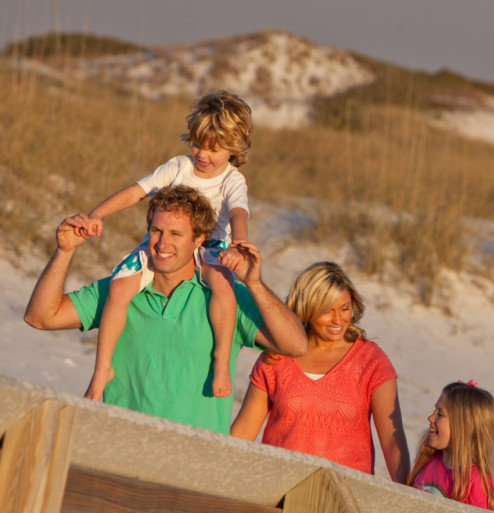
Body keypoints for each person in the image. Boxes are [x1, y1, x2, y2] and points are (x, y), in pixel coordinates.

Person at [24, 185, 308, 434]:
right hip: (117, 452)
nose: (162, 243)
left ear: (199, 239)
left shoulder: (225, 295)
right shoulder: (122, 289)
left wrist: (255, 284)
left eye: (176, 234)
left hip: (194, 470)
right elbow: (40, 317)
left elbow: (295, 344)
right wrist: (65, 252)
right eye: (156, 231)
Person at [82, 89, 253, 401]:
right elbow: (137, 191)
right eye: (197, 144)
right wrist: (97, 213)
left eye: (213, 149)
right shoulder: (178, 166)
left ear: (234, 148)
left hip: (211, 244)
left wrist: (239, 243)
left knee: (224, 289)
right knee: (120, 287)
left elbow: (239, 212)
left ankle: (221, 361)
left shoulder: (232, 180)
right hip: (163, 243)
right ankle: (102, 367)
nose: (202, 154)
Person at [230, 261, 410, 483]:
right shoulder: (276, 358)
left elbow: (393, 440)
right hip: (279, 488)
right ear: (308, 309)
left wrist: (405, 495)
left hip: (345, 495)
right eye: (327, 311)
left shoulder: (371, 360)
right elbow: (244, 430)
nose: (338, 320)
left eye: (345, 308)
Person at [408, 380, 494, 510]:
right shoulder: (429, 461)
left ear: (464, 427)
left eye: (439, 414)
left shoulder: (475, 481)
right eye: (434, 410)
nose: (430, 418)